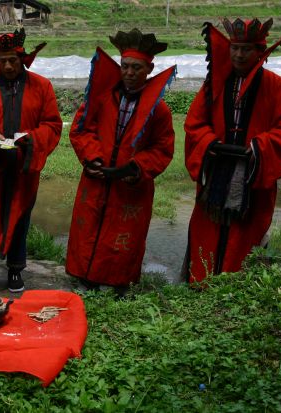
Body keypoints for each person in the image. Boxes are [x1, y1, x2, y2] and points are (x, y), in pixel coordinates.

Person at [65, 29, 176, 295]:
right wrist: (92, 158)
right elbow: (81, 129)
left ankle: (118, 285)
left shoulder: (158, 109)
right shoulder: (101, 98)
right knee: (90, 228)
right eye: (125, 66)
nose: (129, 73)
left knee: (123, 236)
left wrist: (136, 168)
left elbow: (163, 148)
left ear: (149, 68)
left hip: (131, 186)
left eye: (136, 67)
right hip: (97, 179)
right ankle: (87, 278)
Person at [183, 18, 281, 283]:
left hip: (252, 178)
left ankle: (235, 292)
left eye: (247, 49)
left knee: (243, 240)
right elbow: (194, 123)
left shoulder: (279, 88)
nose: (239, 54)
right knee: (207, 233)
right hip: (216, 173)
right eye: (235, 48)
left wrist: (257, 147)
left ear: (260, 53)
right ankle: (200, 286)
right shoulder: (214, 85)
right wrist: (211, 143)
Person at [0, 28, 62, 294]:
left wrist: (31, 140)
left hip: (22, 168)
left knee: (19, 219)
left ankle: (15, 271)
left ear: (22, 59)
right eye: (2, 60)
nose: (7, 65)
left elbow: (52, 124)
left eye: (13, 60)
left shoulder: (42, 87)